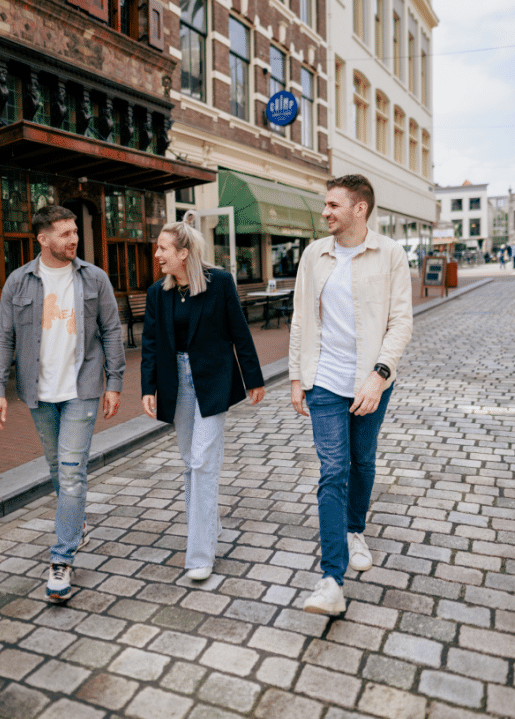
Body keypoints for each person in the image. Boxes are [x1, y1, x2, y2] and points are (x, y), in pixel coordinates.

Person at [0, 205, 125, 602]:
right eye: (64, 234)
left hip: (82, 389)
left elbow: (111, 330)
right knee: (58, 468)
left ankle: (61, 559)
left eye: (75, 232)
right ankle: (75, 519)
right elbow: (4, 337)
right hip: (38, 392)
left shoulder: (94, 278)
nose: (74, 239)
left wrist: (114, 382)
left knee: (70, 470)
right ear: (42, 239)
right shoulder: (18, 282)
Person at [290, 175, 412, 615]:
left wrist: (379, 376)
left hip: (370, 381)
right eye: (326, 204)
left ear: (359, 209)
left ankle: (355, 528)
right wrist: (295, 377)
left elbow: (401, 322)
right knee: (333, 470)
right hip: (324, 380)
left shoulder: (390, 254)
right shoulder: (314, 255)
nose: (326, 212)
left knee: (362, 460)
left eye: (333, 205)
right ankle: (331, 579)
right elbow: (301, 318)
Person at [141, 212, 265, 580]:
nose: (157, 255)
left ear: (184, 252)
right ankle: (210, 526)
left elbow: (239, 333)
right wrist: (148, 388)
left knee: (202, 463)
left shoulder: (220, 283)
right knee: (188, 461)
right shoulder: (157, 293)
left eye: (163, 248)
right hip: (175, 382)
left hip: (212, 381)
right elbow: (150, 345)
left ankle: (199, 555)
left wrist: (253, 377)